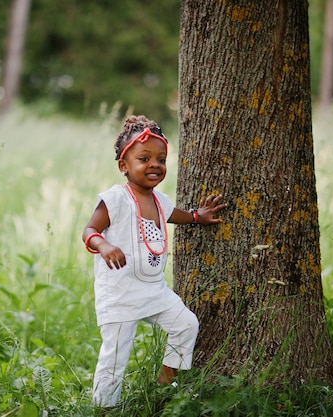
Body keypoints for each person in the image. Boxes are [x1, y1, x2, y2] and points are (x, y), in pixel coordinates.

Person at [82, 115, 226, 408]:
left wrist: (198, 217)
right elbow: (89, 230)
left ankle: (164, 384)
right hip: (120, 294)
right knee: (115, 357)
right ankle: (104, 409)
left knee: (186, 324)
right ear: (124, 166)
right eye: (144, 158)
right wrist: (104, 245)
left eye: (161, 160)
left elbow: (177, 216)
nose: (154, 165)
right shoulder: (115, 199)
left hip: (153, 291)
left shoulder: (160, 200)